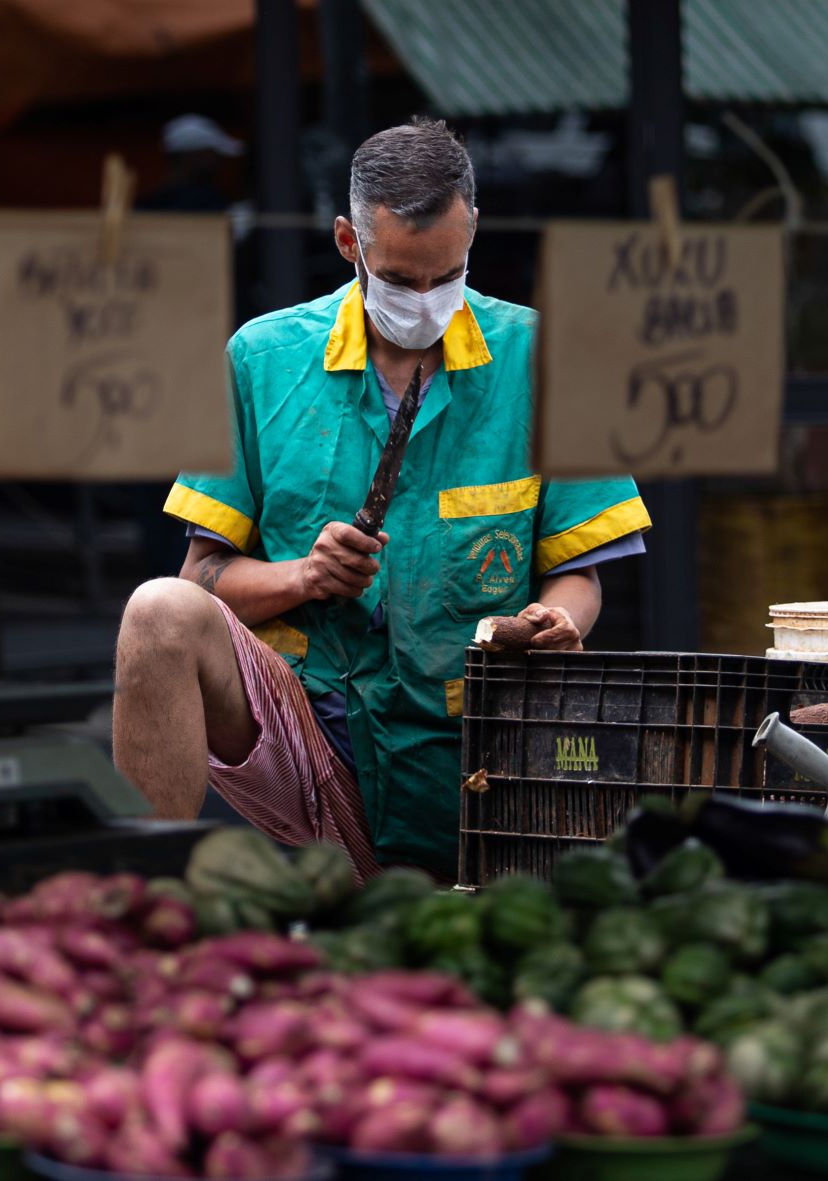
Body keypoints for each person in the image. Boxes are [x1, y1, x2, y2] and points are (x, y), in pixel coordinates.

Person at [112, 120, 650, 878]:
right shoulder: (259, 359)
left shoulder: (551, 359)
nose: (427, 300)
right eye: (399, 280)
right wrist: (304, 576)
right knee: (157, 611)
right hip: (310, 728)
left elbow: (581, 572)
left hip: (480, 742)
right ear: (347, 242)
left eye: (448, 274)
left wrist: (555, 620)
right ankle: (141, 907)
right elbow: (202, 577)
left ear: (471, 235)